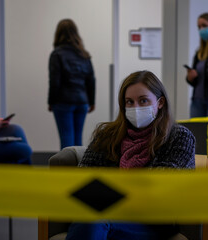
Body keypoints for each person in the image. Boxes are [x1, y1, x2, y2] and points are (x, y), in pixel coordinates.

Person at [66, 70, 196, 240]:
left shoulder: (179, 136)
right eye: (129, 102)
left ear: (160, 103)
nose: (135, 108)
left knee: (94, 221)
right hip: (105, 216)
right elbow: (83, 179)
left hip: (152, 225)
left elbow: (159, 187)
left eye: (143, 101)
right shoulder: (107, 135)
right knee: (91, 220)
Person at [48, 19, 96, 149]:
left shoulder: (56, 54)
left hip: (63, 101)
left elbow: (54, 81)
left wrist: (51, 102)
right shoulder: (84, 55)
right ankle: (78, 168)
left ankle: (65, 169)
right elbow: (91, 80)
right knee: (77, 139)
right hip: (82, 101)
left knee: (66, 138)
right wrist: (91, 102)